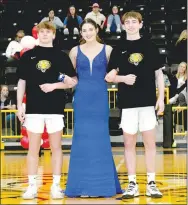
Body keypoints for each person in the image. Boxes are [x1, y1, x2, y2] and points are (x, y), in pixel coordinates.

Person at [105, 11, 164, 199]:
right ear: (123, 26)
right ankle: (132, 184)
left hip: (147, 104)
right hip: (128, 104)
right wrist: (123, 78)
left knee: (150, 144)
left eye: (134, 22)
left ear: (140, 24)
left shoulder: (150, 46)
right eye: (127, 22)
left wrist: (161, 98)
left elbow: (159, 75)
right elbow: (109, 76)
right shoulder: (118, 47)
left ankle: (151, 183)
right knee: (129, 144)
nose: (130, 25)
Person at [16, 21, 77, 200]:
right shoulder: (28, 56)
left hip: (55, 109)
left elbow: (73, 81)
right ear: (37, 34)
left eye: (47, 32)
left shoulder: (61, 56)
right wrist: (20, 105)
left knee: (56, 148)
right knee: (33, 149)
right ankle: (32, 186)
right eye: (41, 32)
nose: (44, 34)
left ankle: (56, 186)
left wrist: (54, 86)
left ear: (53, 35)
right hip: (34, 109)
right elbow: (21, 82)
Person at [65, 18, 122, 197]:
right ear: (80, 33)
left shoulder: (108, 50)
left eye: (90, 29)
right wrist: (59, 80)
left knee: (100, 139)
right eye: (84, 30)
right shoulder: (74, 51)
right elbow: (70, 77)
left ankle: (102, 186)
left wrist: (117, 72)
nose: (87, 33)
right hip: (81, 98)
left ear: (97, 30)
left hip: (99, 98)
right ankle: (80, 186)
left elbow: (115, 70)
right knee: (81, 140)